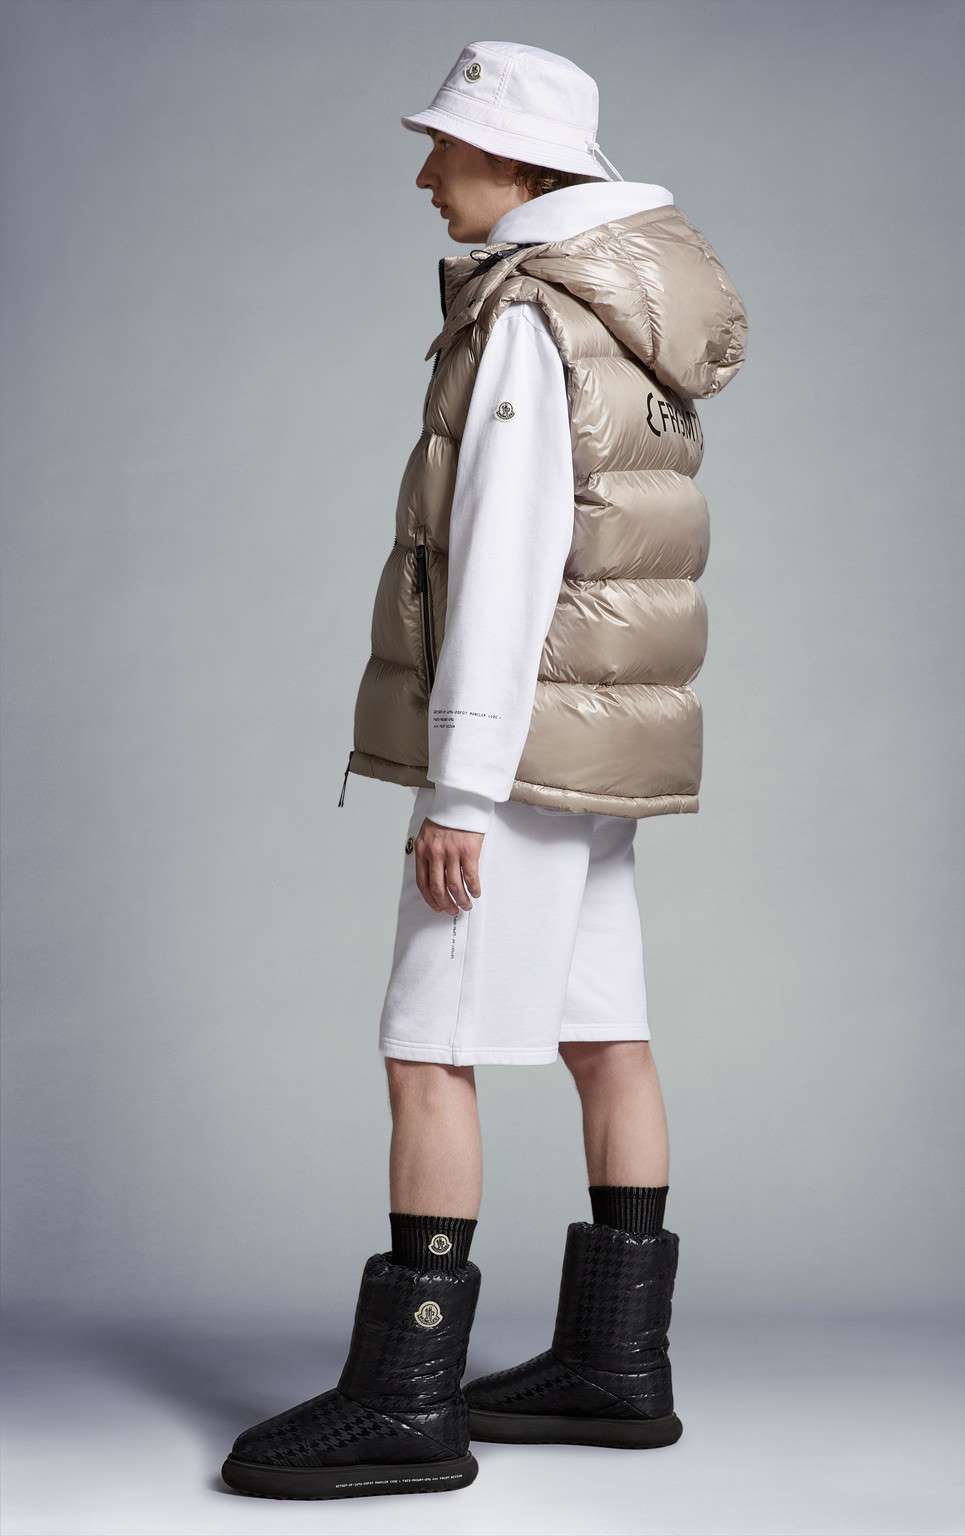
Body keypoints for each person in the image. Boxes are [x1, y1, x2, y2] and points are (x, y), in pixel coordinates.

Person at [221, 39, 747, 1502]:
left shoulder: (530, 315)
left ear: (514, 162)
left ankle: (405, 1401)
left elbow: (509, 565)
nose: (424, 173)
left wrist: (457, 793)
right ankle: (615, 1367)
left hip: (509, 764)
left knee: (427, 1047)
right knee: (603, 1032)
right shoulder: (629, 312)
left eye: (444, 147)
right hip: (592, 754)